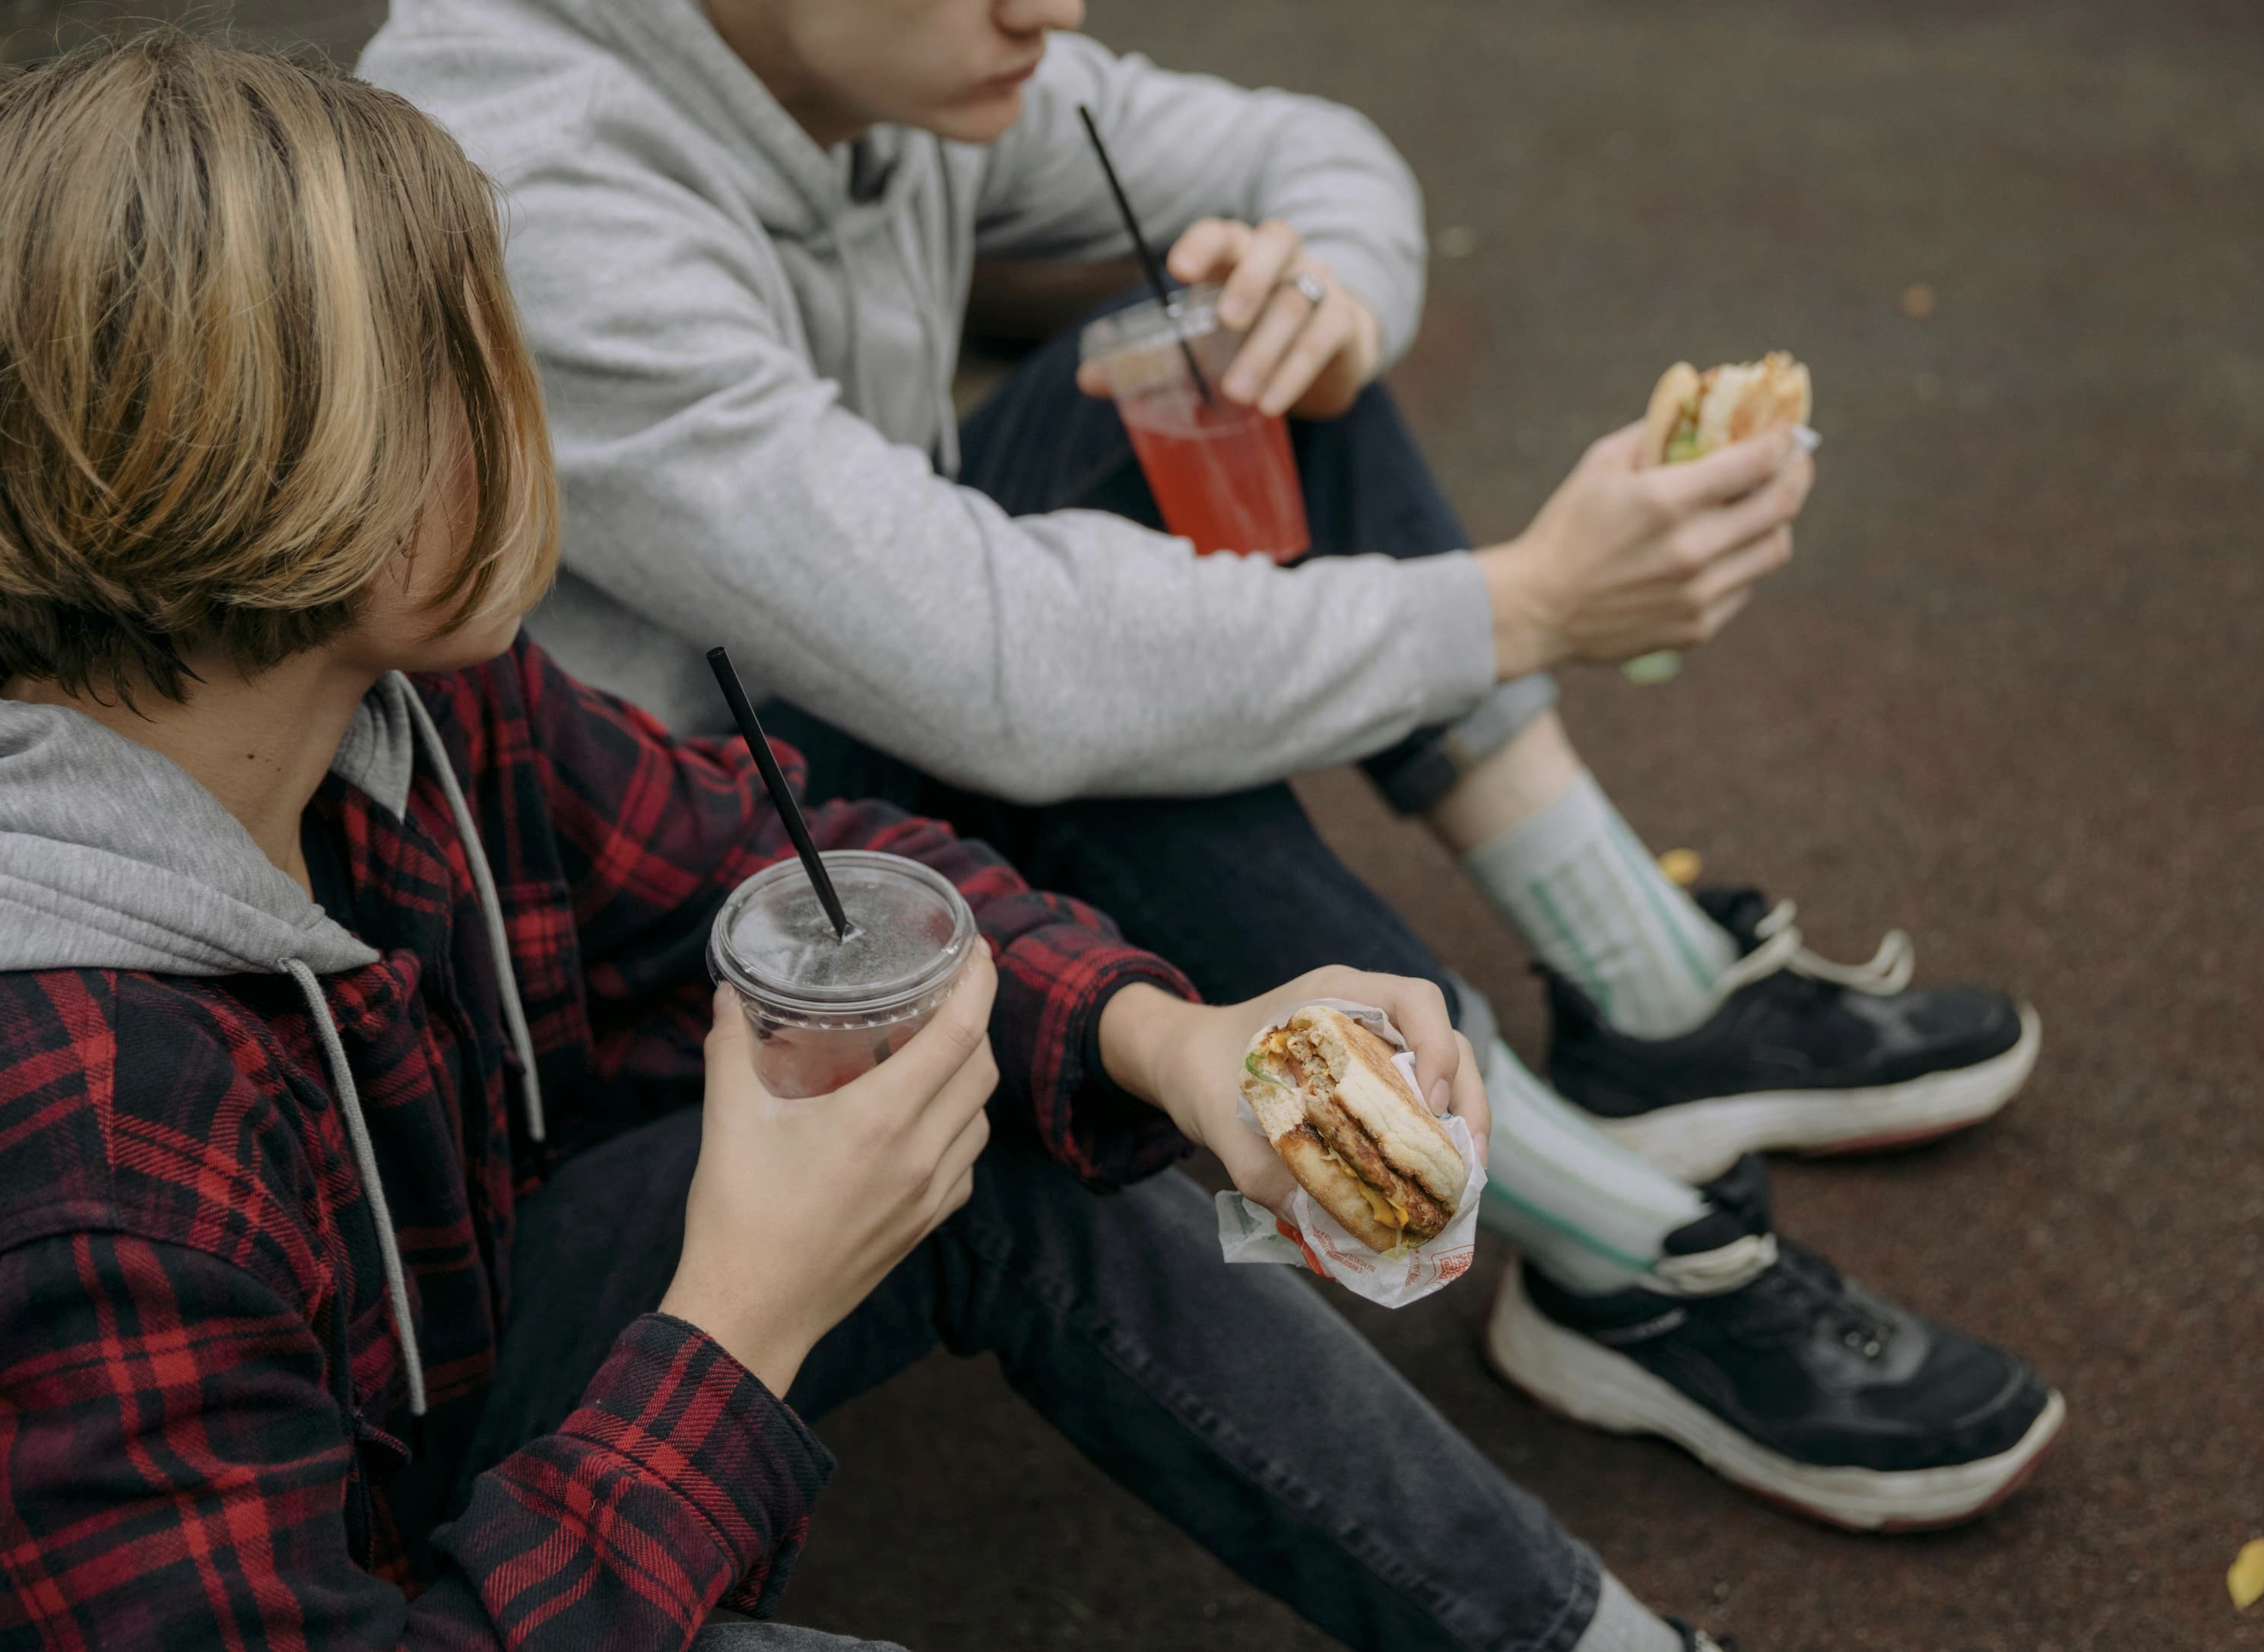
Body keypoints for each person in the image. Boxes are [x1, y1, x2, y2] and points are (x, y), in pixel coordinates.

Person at [0, 35, 1754, 1650]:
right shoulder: (84, 1117)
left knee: (958, 1115)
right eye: (484, 367)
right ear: (313, 482)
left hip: (446, 1365)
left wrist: (1180, 1039)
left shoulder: (406, 705)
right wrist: (740, 1313)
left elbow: (758, 862)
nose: (537, 409)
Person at [360, 0, 2064, 1525]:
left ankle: (1648, 990)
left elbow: (1305, 150)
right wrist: (1525, 605)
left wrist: (1328, 302)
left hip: (879, 674)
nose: (1054, 6)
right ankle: (1609, 1248)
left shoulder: (884, 49)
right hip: (654, 900)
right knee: (1087, 709)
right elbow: (995, 667)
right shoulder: (533, 178)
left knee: (1233, 346)